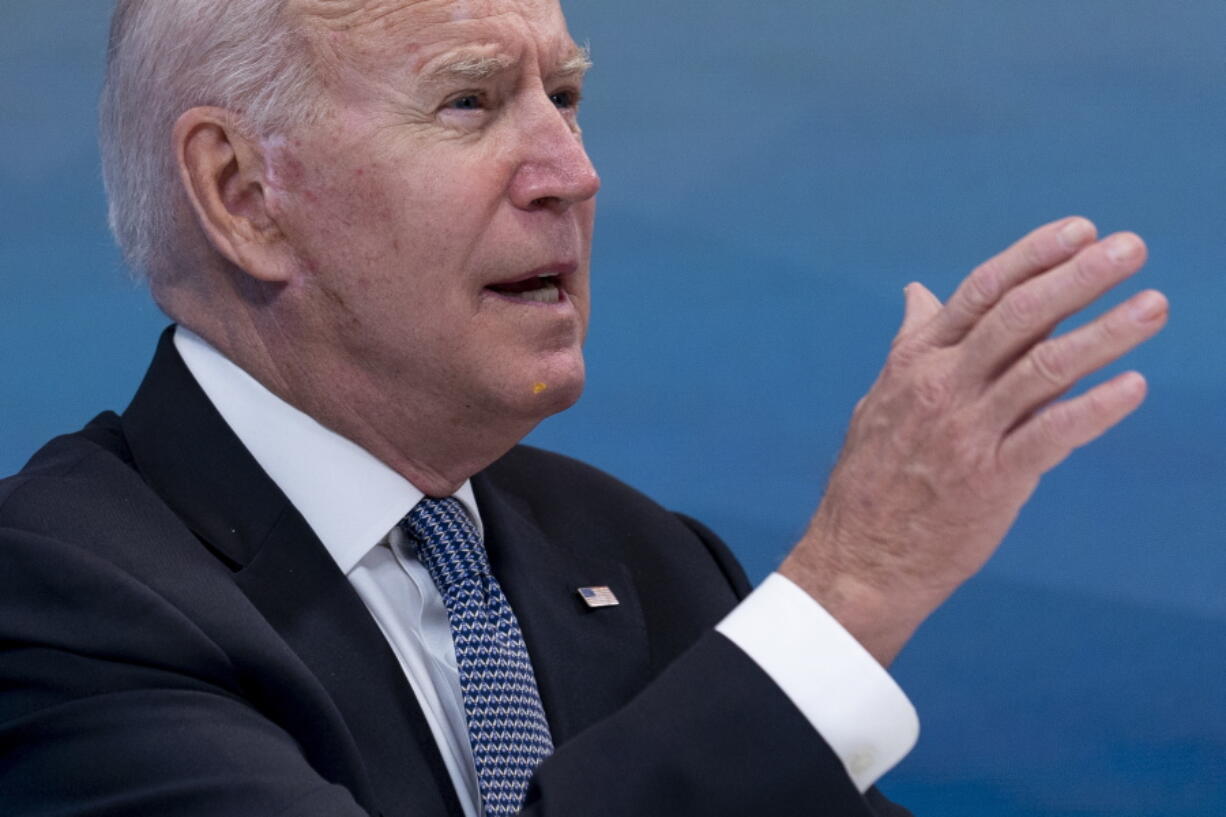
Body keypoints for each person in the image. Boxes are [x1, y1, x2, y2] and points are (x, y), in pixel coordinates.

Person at [0, 1, 1169, 815]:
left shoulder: (645, 561)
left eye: (563, 95)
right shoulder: (52, 594)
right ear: (241, 191)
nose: (571, 168)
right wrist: (851, 592)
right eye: (469, 102)